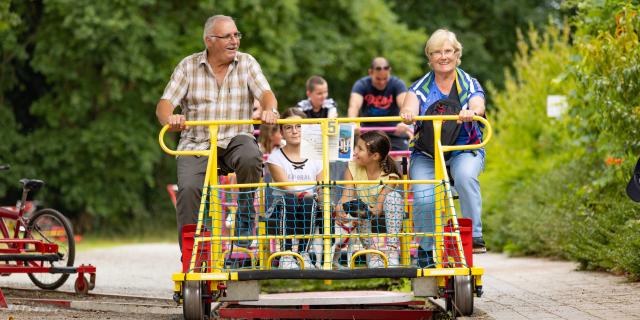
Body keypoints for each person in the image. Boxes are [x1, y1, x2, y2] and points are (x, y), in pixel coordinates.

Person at [156, 15, 279, 249]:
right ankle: (193, 254)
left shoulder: (247, 63)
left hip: (235, 139)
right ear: (209, 40)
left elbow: (266, 93)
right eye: (228, 36)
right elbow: (164, 105)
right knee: (189, 189)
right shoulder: (188, 66)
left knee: (251, 156)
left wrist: (270, 109)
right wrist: (170, 119)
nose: (235, 41)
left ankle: (244, 219)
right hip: (197, 143)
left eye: (237, 35)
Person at [400, 29, 487, 267]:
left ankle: (473, 234)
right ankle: (427, 249)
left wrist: (472, 111)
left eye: (448, 51)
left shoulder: (467, 82)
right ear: (430, 57)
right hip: (428, 152)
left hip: (463, 147)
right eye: (437, 52)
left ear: (457, 54)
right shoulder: (421, 86)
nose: (443, 56)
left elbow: (478, 103)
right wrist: (408, 114)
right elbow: (409, 105)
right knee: (424, 196)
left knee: (466, 176)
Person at [334, 131, 404, 267]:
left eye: (360, 149)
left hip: (381, 211)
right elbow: (347, 194)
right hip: (362, 215)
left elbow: (378, 209)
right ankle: (372, 253)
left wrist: (366, 210)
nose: (355, 152)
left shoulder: (390, 176)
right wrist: (340, 206)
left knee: (394, 197)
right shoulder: (351, 168)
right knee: (357, 208)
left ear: (375, 156)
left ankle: (392, 250)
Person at [266, 108, 323, 269]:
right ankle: (286, 254)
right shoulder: (275, 158)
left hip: (309, 206)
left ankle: (303, 253)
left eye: (299, 126)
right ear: (282, 132)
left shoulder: (317, 156)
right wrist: (307, 194)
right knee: (289, 199)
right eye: (289, 127)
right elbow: (286, 187)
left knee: (310, 203)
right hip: (282, 206)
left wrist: (322, 199)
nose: (295, 131)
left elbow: (322, 186)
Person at [348, 57, 411, 151]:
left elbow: (404, 105)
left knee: (401, 158)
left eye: (385, 78)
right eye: (378, 79)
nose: (382, 82)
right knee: (360, 155)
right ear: (370, 72)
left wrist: (404, 122)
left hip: (394, 132)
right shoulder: (361, 85)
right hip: (368, 132)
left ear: (389, 71)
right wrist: (353, 123)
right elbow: (354, 106)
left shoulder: (397, 84)